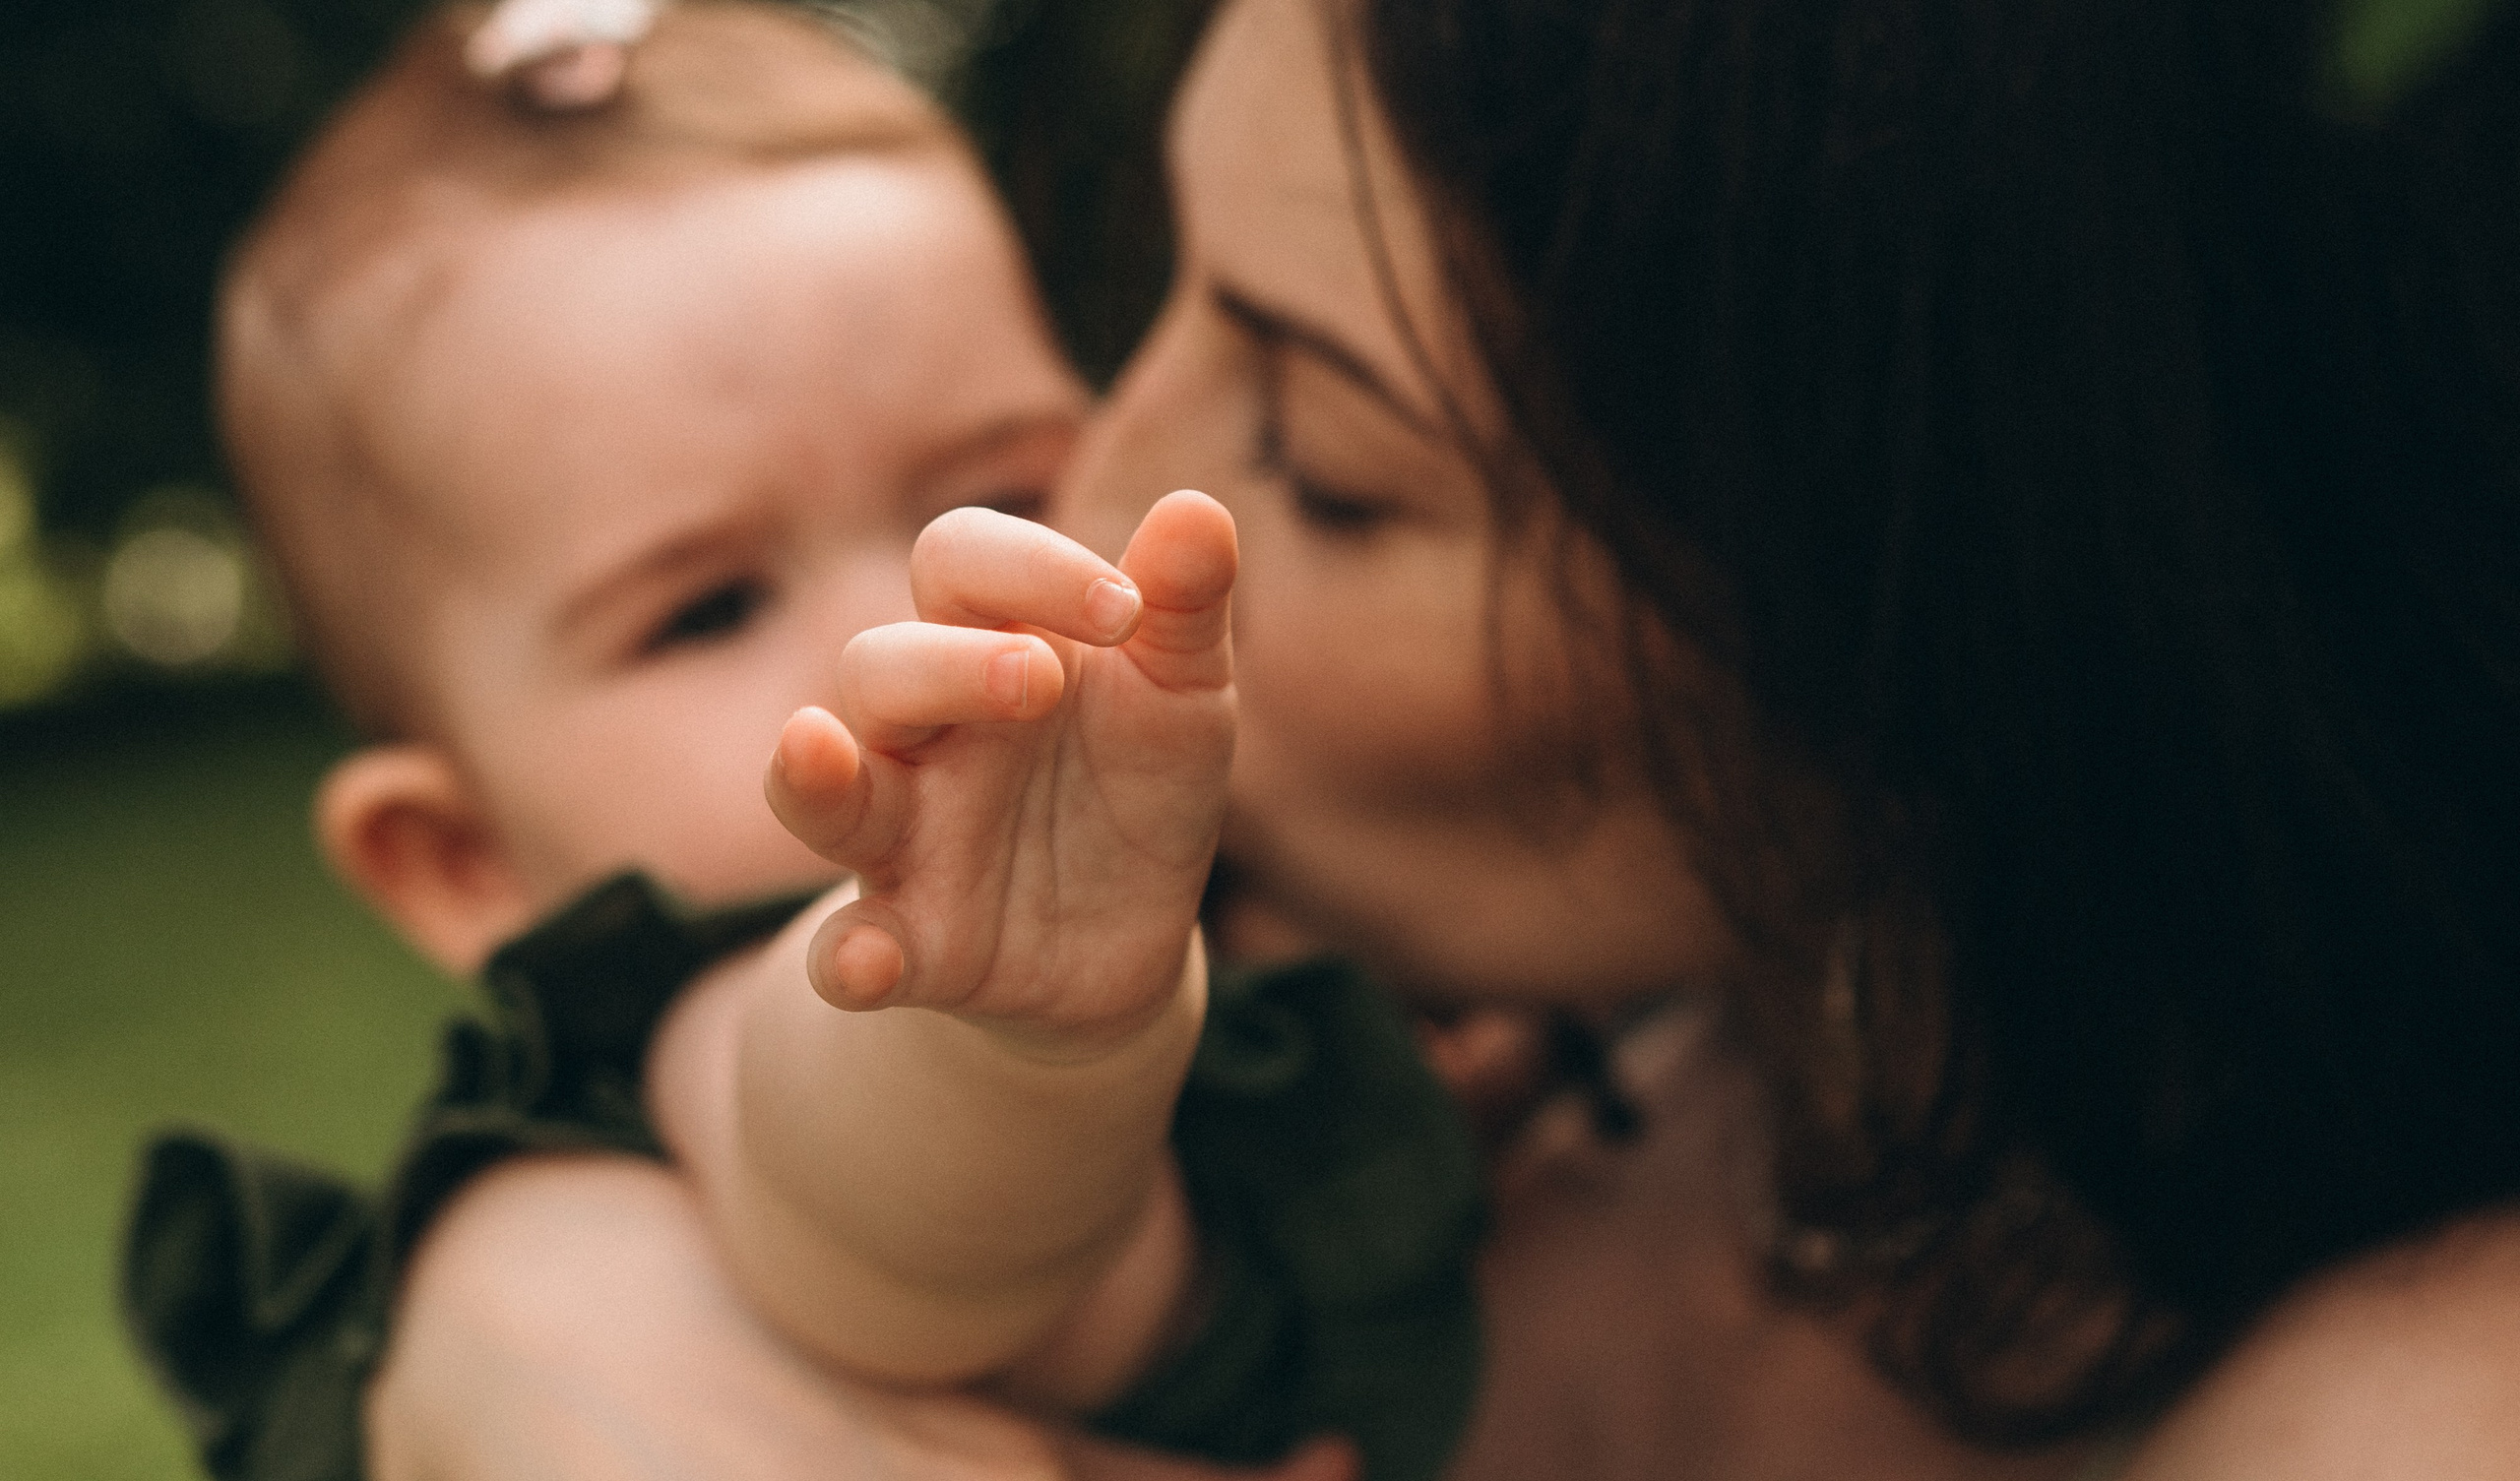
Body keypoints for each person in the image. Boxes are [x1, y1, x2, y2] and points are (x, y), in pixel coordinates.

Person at [221, 0, 2520, 1476]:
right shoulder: (829, 1010)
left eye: (1314, 454)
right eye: (700, 604)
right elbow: (855, 1152)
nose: (1043, 550)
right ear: (440, 855)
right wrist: (553, 1291)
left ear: (1918, 613)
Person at [122, 5, 1479, 1480]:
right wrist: (1011, 1025)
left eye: (1005, 487)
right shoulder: (746, 1021)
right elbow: (862, 1193)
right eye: (705, 609)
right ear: (455, 857)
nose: (900, 621)